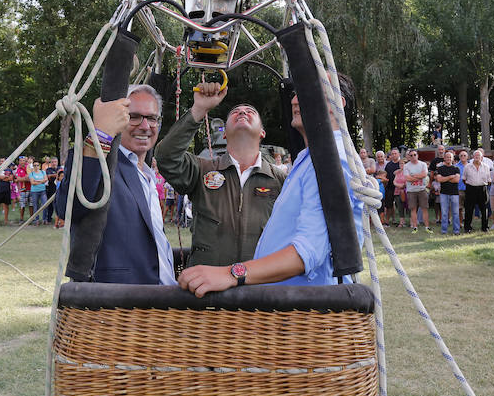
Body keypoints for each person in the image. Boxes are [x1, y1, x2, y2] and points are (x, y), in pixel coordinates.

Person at [177, 74, 363, 296]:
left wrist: (231, 273)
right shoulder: (310, 159)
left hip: (301, 312)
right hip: (280, 305)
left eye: (305, 89)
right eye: (295, 93)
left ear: (337, 102)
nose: (294, 100)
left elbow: (308, 251)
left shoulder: (330, 160)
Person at [154, 82, 287, 267]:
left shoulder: (281, 182)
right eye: (235, 112)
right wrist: (199, 109)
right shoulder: (202, 170)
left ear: (262, 132)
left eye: (250, 111)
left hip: (262, 290)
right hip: (207, 291)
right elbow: (166, 157)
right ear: (224, 134)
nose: (242, 112)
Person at [56, 85, 176, 285]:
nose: (145, 126)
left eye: (152, 118)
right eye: (134, 116)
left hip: (162, 300)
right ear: (119, 118)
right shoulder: (100, 162)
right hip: (120, 302)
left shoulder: (147, 174)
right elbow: (69, 207)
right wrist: (101, 134)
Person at [462, 149, 491, 232]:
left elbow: (489, 180)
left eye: (479, 156)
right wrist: (471, 185)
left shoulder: (486, 167)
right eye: (475, 155)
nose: (477, 157)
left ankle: (485, 227)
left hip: (482, 189)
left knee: (484, 209)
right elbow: (464, 179)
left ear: (482, 157)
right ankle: (467, 228)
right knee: (469, 209)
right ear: (472, 157)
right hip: (471, 189)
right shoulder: (467, 166)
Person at [404, 149, 431, 234]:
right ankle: (415, 227)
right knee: (413, 209)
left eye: (414, 155)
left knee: (424, 208)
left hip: (422, 189)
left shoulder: (423, 164)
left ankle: (427, 227)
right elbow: (407, 178)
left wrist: (413, 176)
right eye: (411, 155)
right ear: (408, 156)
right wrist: (419, 177)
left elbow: (424, 175)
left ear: (417, 155)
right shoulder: (406, 166)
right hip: (411, 191)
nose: (413, 157)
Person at [435, 151, 460, 235]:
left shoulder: (456, 169)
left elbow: (456, 180)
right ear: (444, 158)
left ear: (452, 159)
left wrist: (445, 178)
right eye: (447, 157)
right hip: (444, 193)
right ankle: (444, 231)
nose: (448, 158)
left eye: (450, 157)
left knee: (455, 213)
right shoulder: (440, 169)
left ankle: (456, 231)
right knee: (444, 213)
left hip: (454, 193)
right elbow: (439, 179)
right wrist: (450, 177)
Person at [0, 159, 14, 226]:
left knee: (6, 205)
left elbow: (11, 178)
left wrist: (1, 178)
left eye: (3, 161)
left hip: (7, 189)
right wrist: (4, 177)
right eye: (1, 161)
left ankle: (6, 220)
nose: (2, 162)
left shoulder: (9, 170)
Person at [28, 161, 48, 225]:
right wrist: (41, 181)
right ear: (33, 167)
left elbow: (46, 179)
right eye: (35, 165)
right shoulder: (31, 174)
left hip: (42, 190)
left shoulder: (43, 172)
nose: (36, 167)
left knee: (45, 204)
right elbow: (32, 183)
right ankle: (36, 220)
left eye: (37, 165)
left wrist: (37, 181)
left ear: (39, 166)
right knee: (35, 206)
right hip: (34, 191)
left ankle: (44, 219)